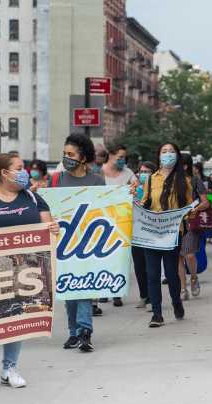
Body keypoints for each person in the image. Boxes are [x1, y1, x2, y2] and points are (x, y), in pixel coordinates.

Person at [0, 152, 59, 394]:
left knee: (16, 317)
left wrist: (53, 229)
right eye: (19, 167)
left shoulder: (34, 199)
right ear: (4, 173)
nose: (24, 171)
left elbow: (49, 229)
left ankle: (10, 369)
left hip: (25, 271)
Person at [51, 133, 106, 351]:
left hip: (89, 242)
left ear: (83, 157)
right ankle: (73, 332)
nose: (67, 158)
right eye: (65, 154)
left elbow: (106, 209)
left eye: (71, 154)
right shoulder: (57, 180)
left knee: (84, 287)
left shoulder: (97, 181)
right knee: (69, 290)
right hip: (64, 242)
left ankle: (85, 331)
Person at [140, 143, 198, 327]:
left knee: (172, 274)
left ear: (177, 156)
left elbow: (189, 207)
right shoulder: (150, 180)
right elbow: (145, 202)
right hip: (151, 233)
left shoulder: (185, 181)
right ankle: (157, 313)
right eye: (164, 151)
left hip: (173, 234)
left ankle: (176, 302)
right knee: (152, 274)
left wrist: (191, 213)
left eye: (171, 152)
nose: (167, 155)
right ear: (158, 156)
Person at [101, 143, 137, 307]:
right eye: (120, 157)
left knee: (119, 258)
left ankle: (116, 291)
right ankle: (102, 290)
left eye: (124, 157)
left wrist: (135, 189)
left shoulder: (128, 173)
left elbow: (137, 188)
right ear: (110, 155)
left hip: (121, 221)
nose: (123, 160)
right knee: (102, 256)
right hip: (101, 220)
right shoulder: (98, 172)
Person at [178, 155, 209, 301]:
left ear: (185, 166)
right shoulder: (170, 181)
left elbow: (206, 202)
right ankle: (183, 289)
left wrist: (194, 209)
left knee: (189, 254)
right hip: (174, 223)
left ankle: (194, 278)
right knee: (178, 257)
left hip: (191, 222)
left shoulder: (196, 180)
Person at [133, 161, 157, 309]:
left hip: (150, 232)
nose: (144, 174)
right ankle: (144, 295)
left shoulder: (156, 189)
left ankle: (152, 298)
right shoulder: (134, 189)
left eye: (147, 172)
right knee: (138, 266)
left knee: (151, 267)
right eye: (142, 171)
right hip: (135, 232)